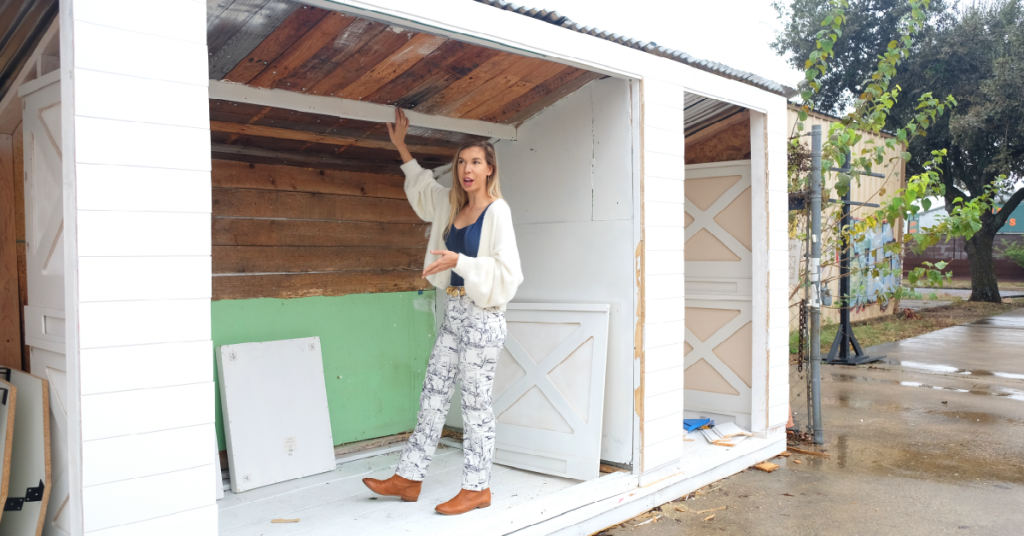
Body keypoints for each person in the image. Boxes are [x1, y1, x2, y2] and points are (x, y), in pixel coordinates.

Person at [362, 109, 523, 515]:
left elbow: (510, 274)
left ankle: (477, 488)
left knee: (475, 405)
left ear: (489, 169)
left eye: (475, 162)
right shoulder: (451, 205)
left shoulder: (497, 211)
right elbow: (422, 186)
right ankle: (408, 478)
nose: (467, 169)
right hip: (454, 311)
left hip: (484, 318)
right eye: (461, 162)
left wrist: (461, 260)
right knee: (432, 397)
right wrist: (401, 145)